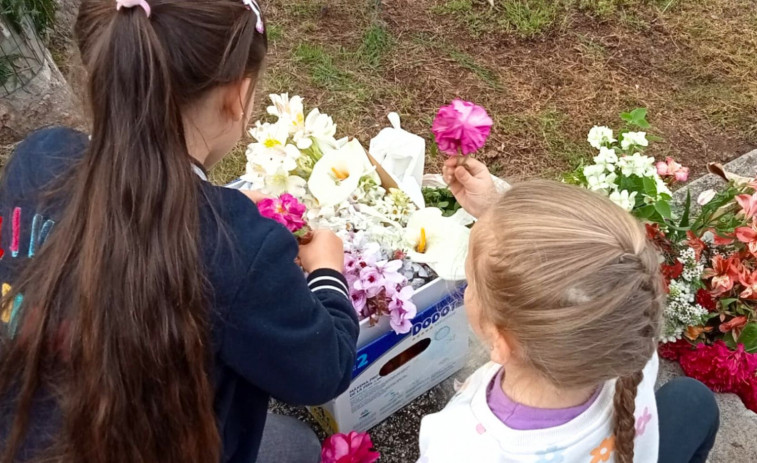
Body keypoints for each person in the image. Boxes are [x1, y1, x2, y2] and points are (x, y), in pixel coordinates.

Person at [0, 1, 358, 462]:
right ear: (238, 96)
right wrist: (326, 269)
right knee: (298, 443)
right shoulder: (240, 250)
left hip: (24, 436)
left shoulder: (38, 160)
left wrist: (218, 212)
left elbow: (115, 225)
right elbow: (324, 370)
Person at [417, 158, 719, 463]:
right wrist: (495, 215)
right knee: (694, 401)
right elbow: (585, 277)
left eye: (471, 282)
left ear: (500, 341)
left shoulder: (458, 445)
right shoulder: (623, 340)